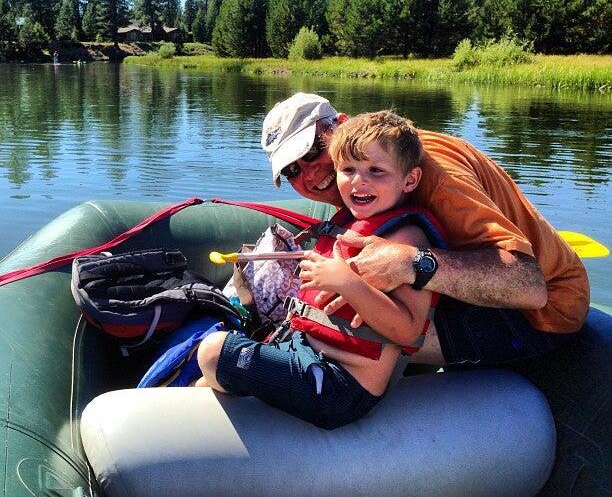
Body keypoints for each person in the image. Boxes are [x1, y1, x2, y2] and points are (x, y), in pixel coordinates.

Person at [260, 93, 589, 367]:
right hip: (470, 288)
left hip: (541, 314)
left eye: (313, 152)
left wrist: (411, 263)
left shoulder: (436, 177)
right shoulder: (362, 179)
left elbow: (529, 287)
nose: (309, 174)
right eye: (291, 170)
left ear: (341, 126)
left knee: (342, 323)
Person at [196, 111, 438, 429]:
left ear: (409, 180)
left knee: (213, 352)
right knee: (203, 380)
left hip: (339, 386)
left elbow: (408, 330)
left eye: (375, 171)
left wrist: (349, 284)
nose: (358, 180)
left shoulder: (408, 238)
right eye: (348, 170)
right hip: (304, 351)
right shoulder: (349, 222)